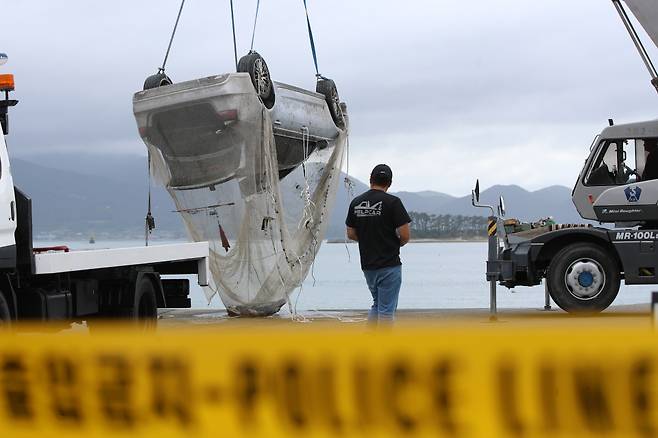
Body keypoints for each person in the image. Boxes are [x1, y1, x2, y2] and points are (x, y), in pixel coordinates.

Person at [345, 164, 411, 324]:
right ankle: (383, 346)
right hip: (389, 264)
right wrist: (395, 243)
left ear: (370, 179)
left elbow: (351, 234)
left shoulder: (357, 202)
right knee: (387, 311)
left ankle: (371, 341)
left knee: (378, 304)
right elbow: (405, 235)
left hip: (368, 265)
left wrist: (369, 239)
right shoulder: (393, 202)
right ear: (389, 183)